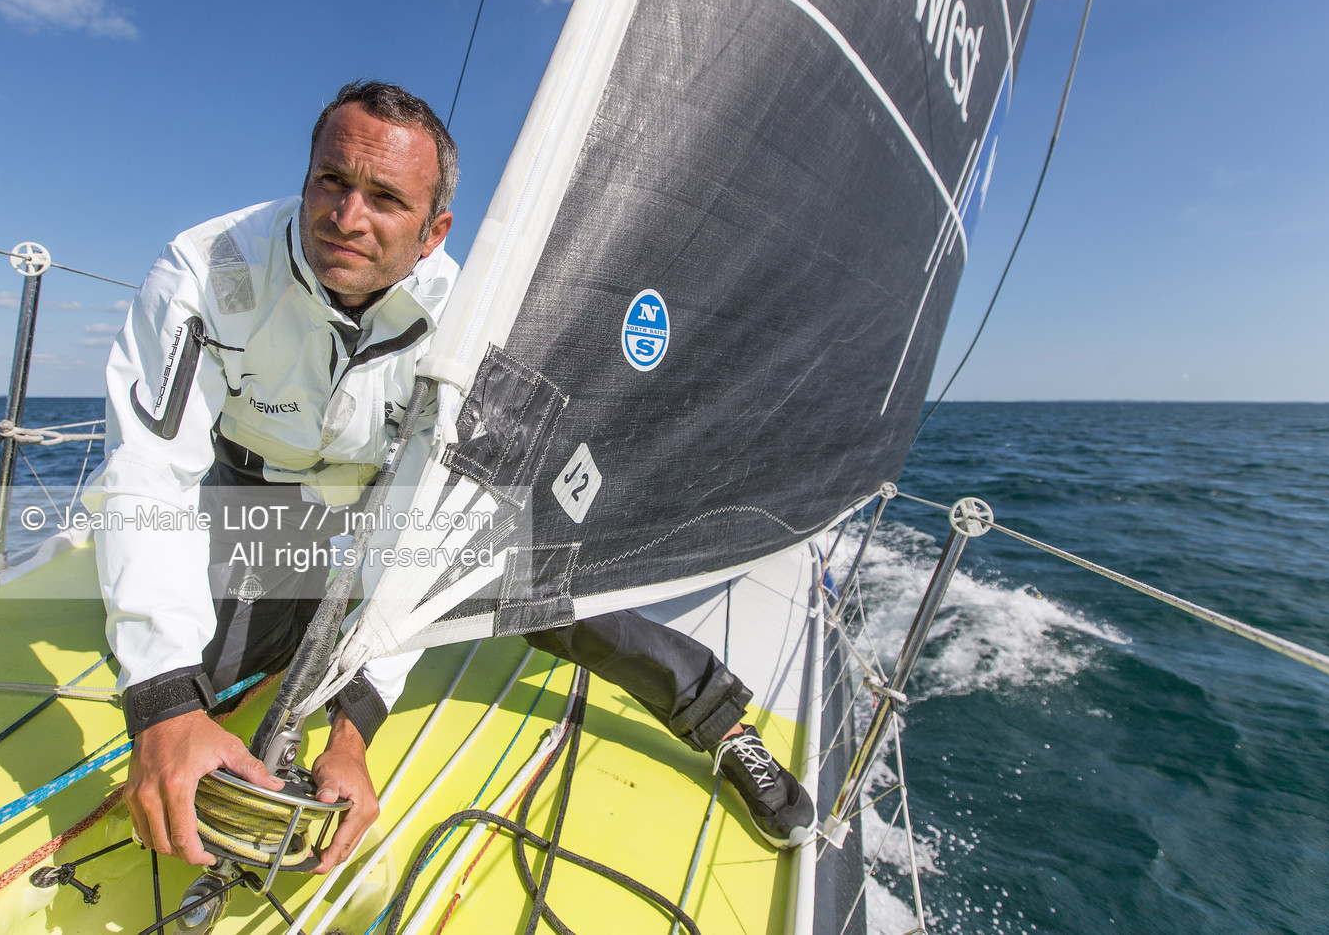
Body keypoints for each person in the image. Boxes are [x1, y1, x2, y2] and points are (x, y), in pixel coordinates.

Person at [87, 81, 815, 880]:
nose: (347, 217)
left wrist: (352, 734)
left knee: (526, 572)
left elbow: (427, 526)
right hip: (255, 488)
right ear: (306, 179)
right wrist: (161, 703)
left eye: (385, 199)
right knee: (210, 684)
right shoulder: (205, 271)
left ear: (434, 233)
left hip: (382, 491)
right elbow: (149, 476)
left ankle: (714, 714)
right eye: (332, 181)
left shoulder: (467, 322)